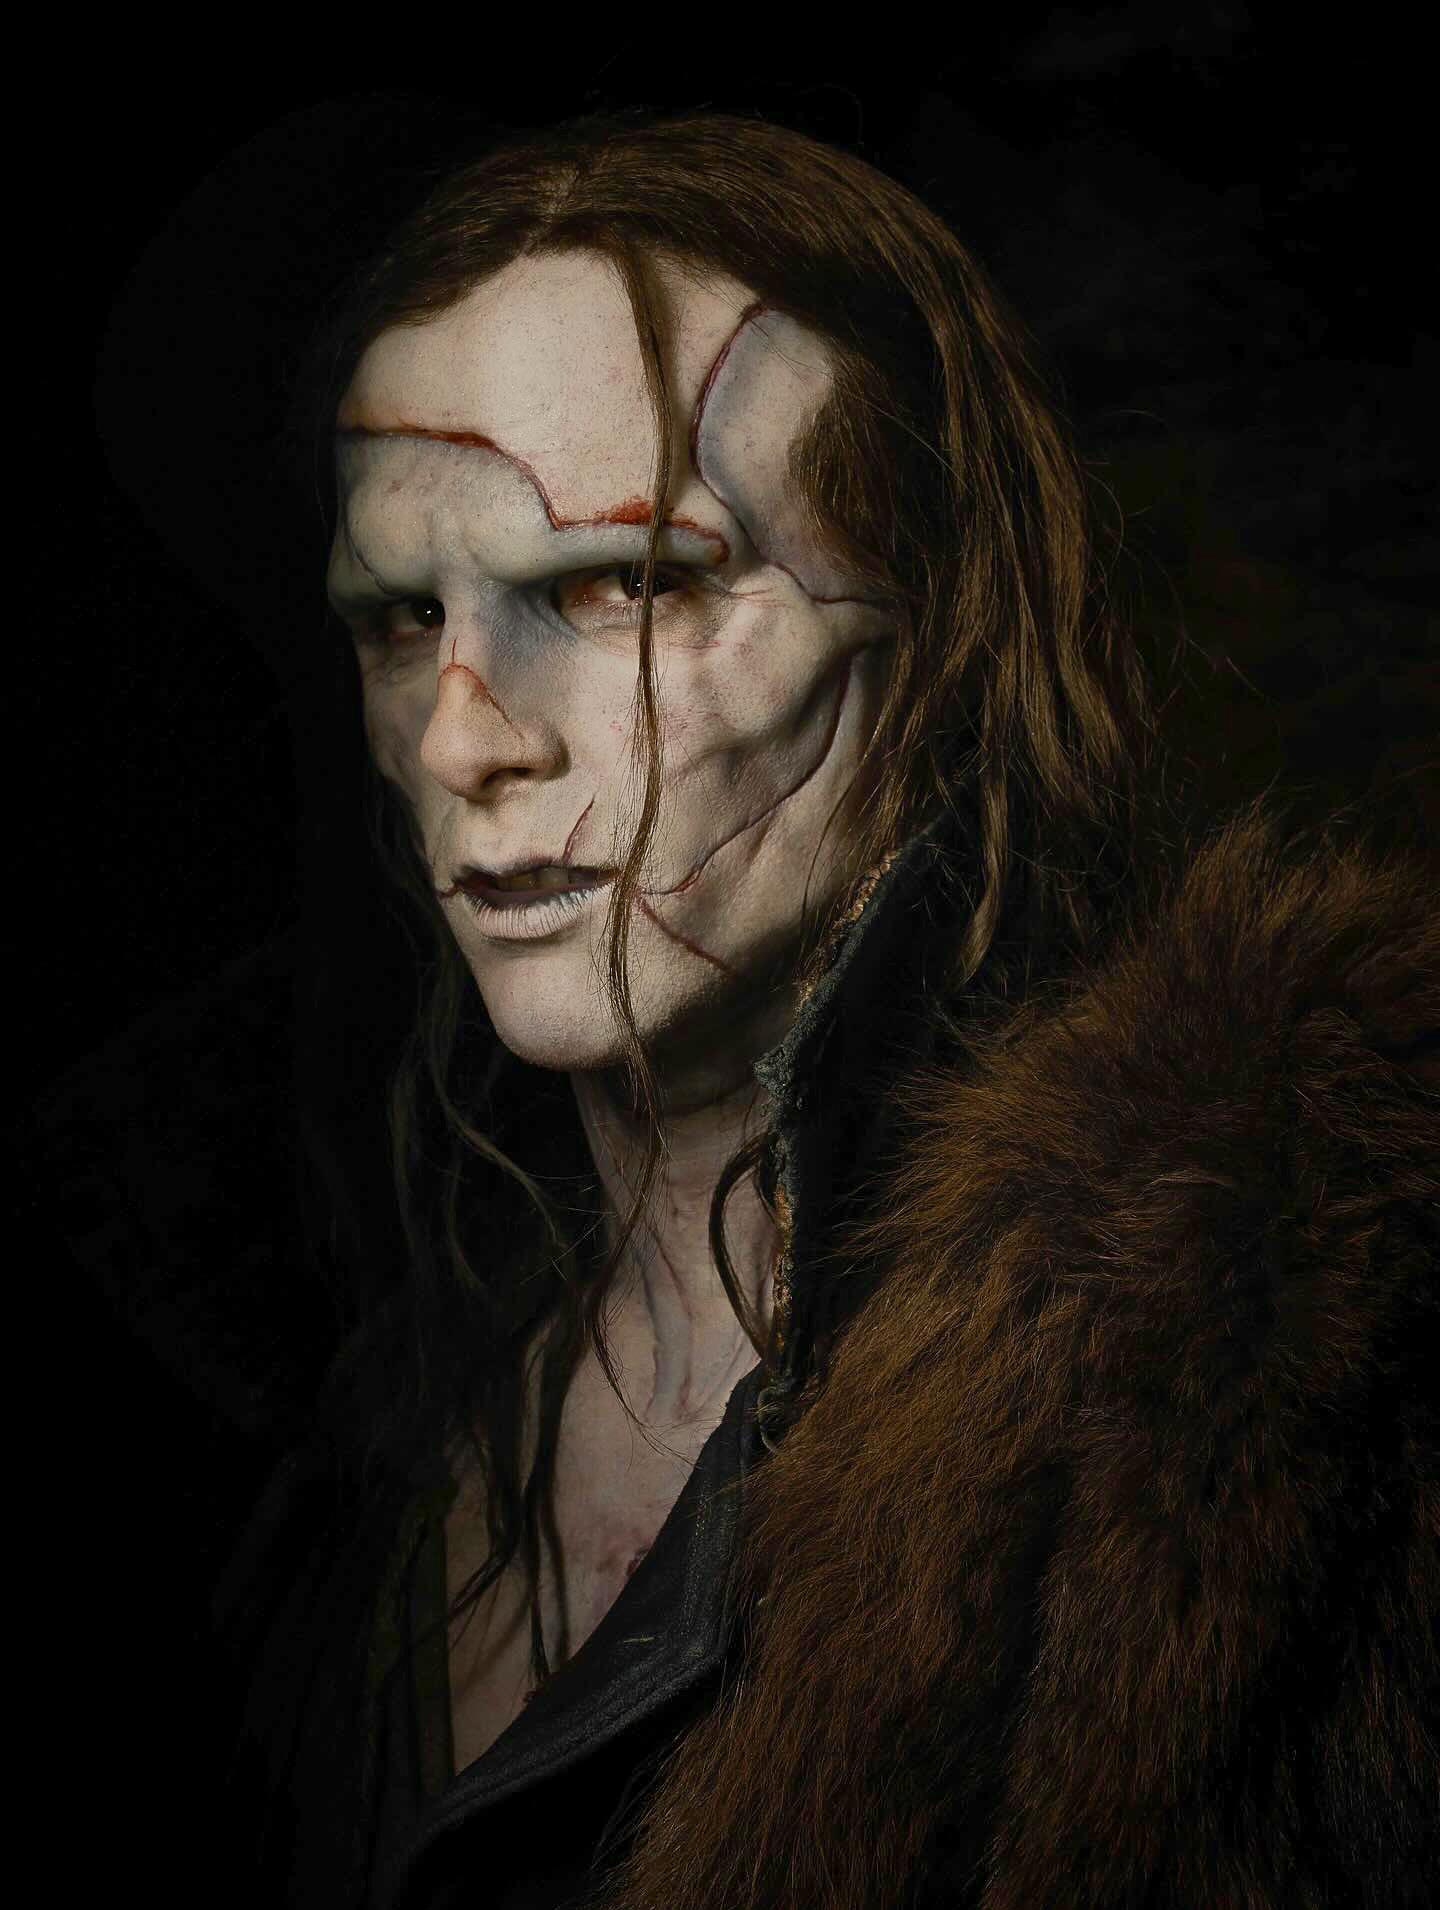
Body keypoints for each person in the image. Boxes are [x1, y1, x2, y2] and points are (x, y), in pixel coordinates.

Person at [88, 109, 1440, 1908]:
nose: (465, 737)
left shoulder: (1257, 1392)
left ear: (941, 625)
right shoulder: (325, 1407)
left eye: (630, 582)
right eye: (402, 619)